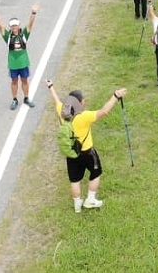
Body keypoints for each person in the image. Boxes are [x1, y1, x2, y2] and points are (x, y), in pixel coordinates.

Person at [45, 79, 128, 212]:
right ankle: (90, 200)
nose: (84, 102)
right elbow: (104, 111)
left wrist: (51, 87)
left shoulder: (63, 112)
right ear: (78, 103)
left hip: (71, 153)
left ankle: (77, 205)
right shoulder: (84, 116)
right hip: (87, 152)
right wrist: (115, 96)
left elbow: (56, 101)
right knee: (96, 173)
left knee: (75, 179)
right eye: (83, 100)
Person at [0, 2, 39, 110]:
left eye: (15, 25)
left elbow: (30, 24)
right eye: (12, 26)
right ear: (10, 27)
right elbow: (0, 25)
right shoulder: (7, 36)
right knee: (14, 81)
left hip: (24, 62)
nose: (14, 27)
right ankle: (15, 99)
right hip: (13, 63)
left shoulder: (24, 34)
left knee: (25, 80)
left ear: (18, 26)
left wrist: (34, 12)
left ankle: (26, 98)